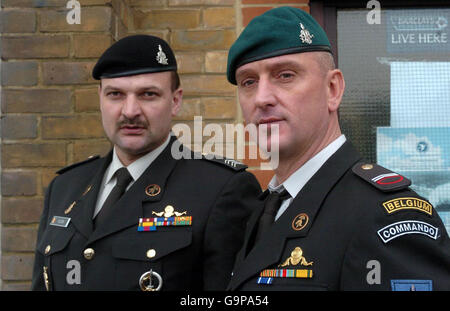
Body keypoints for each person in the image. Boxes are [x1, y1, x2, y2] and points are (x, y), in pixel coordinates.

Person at [226, 7, 450, 291]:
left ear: (333, 89)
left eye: (285, 75)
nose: (262, 98)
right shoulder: (265, 209)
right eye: (249, 82)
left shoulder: (384, 215)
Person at [31, 35, 261, 291]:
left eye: (148, 94)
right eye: (115, 94)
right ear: (100, 98)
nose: (130, 111)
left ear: (175, 101)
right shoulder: (64, 187)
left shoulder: (220, 189)